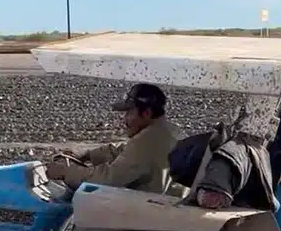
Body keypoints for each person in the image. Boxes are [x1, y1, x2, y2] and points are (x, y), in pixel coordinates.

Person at [44, 83, 180, 194]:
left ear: (147, 113)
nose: (124, 119)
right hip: (166, 204)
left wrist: (65, 172)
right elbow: (125, 152)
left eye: (129, 112)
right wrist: (88, 155)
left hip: (149, 214)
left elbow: (108, 178)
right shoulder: (168, 131)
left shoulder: (147, 141)